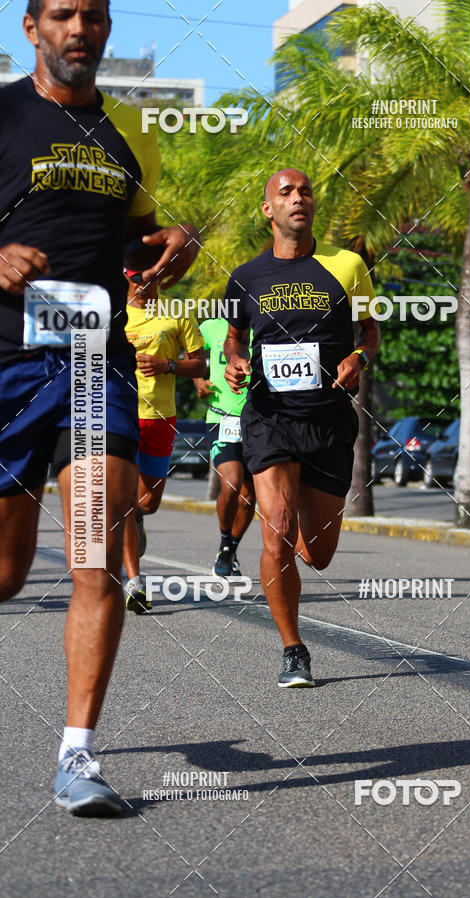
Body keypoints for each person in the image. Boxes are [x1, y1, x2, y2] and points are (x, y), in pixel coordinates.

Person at [0, 0, 199, 816]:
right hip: (8, 365)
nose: (79, 29)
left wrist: (170, 247)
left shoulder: (129, 131)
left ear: (108, 30)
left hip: (95, 367)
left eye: (93, 16)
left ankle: (76, 757)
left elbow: (137, 242)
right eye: (62, 15)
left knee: (95, 558)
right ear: (32, 28)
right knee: (8, 574)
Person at [224, 169, 380, 688]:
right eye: (286, 193)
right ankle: (293, 648)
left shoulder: (347, 265)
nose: (298, 199)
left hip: (329, 421)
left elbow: (371, 330)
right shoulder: (245, 278)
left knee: (317, 553)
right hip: (270, 417)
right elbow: (233, 341)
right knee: (280, 527)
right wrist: (235, 362)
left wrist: (358, 356)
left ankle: (291, 559)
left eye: (305, 191)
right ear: (267, 209)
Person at [123, 270, 206, 612]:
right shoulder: (112, 313)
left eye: (152, 278)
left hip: (160, 418)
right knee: (123, 501)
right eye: (138, 278)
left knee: (147, 503)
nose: (145, 284)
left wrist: (168, 365)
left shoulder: (178, 311)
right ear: (126, 277)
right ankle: (134, 582)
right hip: (119, 416)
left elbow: (200, 365)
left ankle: (138, 520)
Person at [194, 318, 255, 577]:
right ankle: (224, 540)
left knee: (249, 496)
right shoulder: (211, 326)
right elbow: (191, 351)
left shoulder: (265, 325)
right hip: (222, 417)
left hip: (258, 421)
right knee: (231, 482)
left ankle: (230, 549)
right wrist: (198, 380)